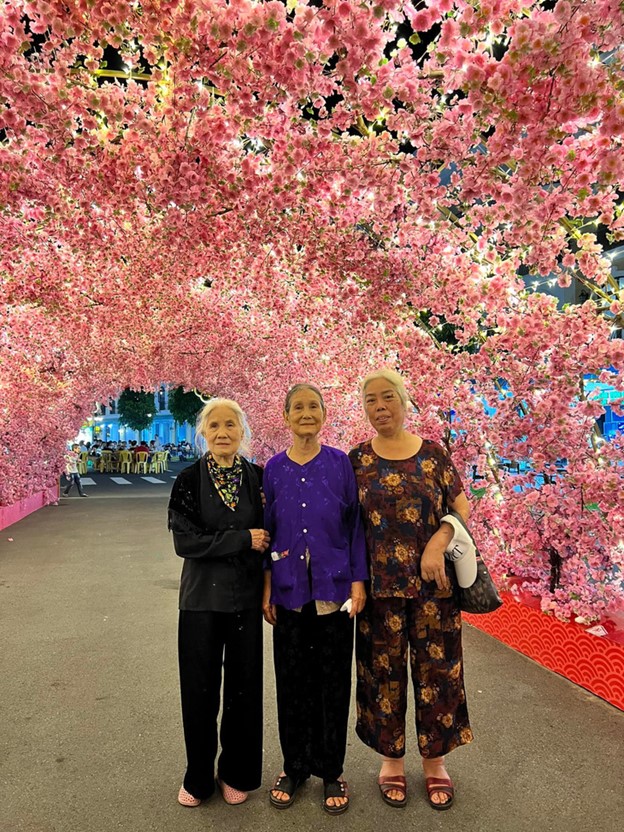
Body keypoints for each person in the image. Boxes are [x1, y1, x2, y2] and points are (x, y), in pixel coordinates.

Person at [349, 369, 473, 811]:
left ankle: (435, 762)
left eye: (388, 398)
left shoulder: (434, 455)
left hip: (433, 591)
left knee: (437, 675)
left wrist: (438, 542)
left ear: (404, 402)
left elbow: (461, 507)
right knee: (382, 675)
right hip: (379, 592)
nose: (379, 406)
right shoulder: (356, 459)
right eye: (370, 400)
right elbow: (346, 527)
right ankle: (391, 760)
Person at [263, 384, 368, 815]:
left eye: (313, 407)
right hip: (289, 592)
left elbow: (355, 526)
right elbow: (266, 529)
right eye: (298, 408)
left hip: (334, 590)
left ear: (325, 414)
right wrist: (267, 585)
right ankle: (294, 765)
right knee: (291, 681)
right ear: (285, 417)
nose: (306, 414)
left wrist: (358, 583)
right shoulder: (272, 468)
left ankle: (331, 769)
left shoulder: (340, 464)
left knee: (332, 682)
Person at [167, 398, 269, 807]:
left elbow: (272, 538)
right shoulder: (188, 481)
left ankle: (236, 771)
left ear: (242, 432)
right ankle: (198, 776)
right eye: (215, 425)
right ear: (203, 433)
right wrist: (243, 538)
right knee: (199, 689)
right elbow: (184, 542)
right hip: (199, 601)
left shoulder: (259, 479)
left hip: (244, 598)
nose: (223, 432)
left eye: (231, 425)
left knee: (244, 690)